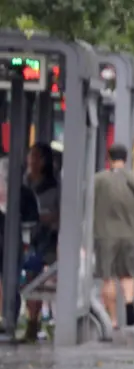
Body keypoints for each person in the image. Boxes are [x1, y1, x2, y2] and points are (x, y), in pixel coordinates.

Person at [93, 144, 134, 329]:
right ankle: (129, 302)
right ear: (125, 159)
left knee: (108, 277)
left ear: (108, 158)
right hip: (131, 233)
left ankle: (113, 320)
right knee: (128, 274)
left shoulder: (98, 180)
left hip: (106, 234)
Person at [23, 143, 60, 341]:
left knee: (40, 279)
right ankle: (32, 320)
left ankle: (40, 320)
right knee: (30, 278)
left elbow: (60, 213)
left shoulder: (54, 187)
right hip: (28, 237)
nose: (32, 160)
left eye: (36, 157)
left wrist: (47, 218)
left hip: (48, 239)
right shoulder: (23, 182)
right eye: (31, 156)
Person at [0, 156, 40, 330]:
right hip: (14, 244)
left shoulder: (24, 194)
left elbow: (31, 220)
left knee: (11, 280)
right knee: (11, 281)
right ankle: (8, 317)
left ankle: (9, 317)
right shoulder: (25, 193)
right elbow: (32, 221)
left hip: (14, 245)